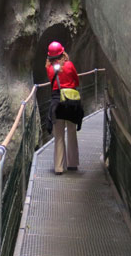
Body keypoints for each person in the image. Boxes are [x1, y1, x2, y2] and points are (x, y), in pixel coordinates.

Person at [45, 41, 80, 175]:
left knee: (59, 136)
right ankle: (72, 164)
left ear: (50, 57)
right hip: (70, 103)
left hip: (57, 103)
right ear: (62, 53)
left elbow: (52, 82)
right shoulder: (69, 66)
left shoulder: (49, 69)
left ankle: (59, 167)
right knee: (71, 133)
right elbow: (76, 81)